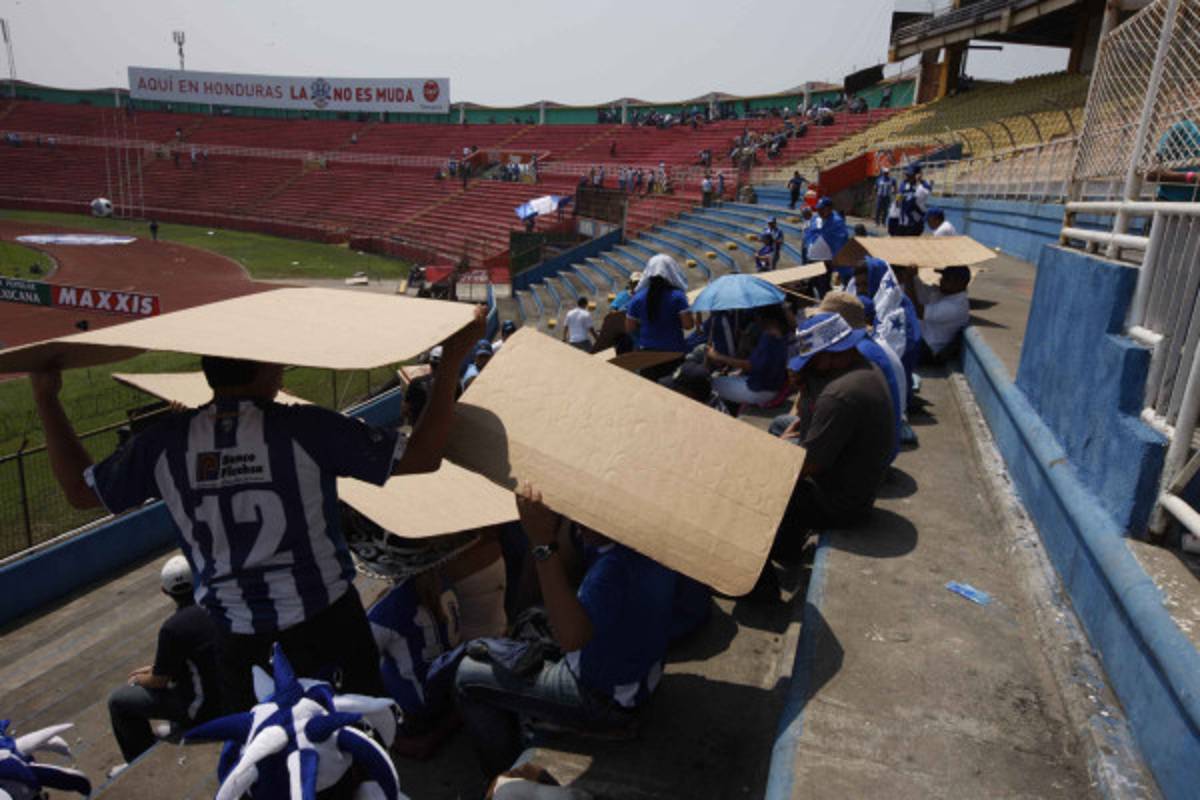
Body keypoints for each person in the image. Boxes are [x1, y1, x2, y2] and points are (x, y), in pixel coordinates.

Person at [32, 306, 488, 713]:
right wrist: (449, 365)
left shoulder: (162, 443)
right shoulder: (306, 428)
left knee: (267, 756)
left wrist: (47, 399)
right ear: (265, 363)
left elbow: (80, 490)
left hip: (237, 638)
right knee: (353, 740)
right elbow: (422, 457)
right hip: (328, 623)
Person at [454, 483, 676, 778]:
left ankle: (507, 775)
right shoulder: (647, 539)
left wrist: (542, 543)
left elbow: (571, 638)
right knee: (532, 619)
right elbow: (570, 570)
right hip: (637, 675)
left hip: (603, 699)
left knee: (466, 676)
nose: (580, 525)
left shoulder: (612, 572)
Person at [770, 313, 895, 557]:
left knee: (765, 485)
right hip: (857, 479)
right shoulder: (863, 365)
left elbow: (807, 466)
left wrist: (777, 452)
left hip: (842, 502)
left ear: (829, 355)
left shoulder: (838, 395)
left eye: (812, 359)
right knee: (779, 430)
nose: (808, 366)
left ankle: (785, 553)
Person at [107, 556, 221, 772]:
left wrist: (138, 679)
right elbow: (184, 662)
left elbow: (159, 681)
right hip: (225, 696)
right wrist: (152, 670)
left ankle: (137, 763)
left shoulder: (173, 628)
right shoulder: (213, 606)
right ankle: (175, 726)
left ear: (164, 591)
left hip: (201, 710)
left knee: (118, 702)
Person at [707, 304, 789, 408]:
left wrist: (717, 356)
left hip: (761, 391)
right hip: (771, 385)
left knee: (713, 384)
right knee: (730, 378)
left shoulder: (769, 339)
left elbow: (749, 365)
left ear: (763, 318)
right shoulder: (781, 333)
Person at [906, 265, 972, 364]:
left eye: (947, 279)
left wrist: (909, 280)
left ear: (960, 283)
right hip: (919, 339)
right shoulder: (944, 293)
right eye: (942, 277)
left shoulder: (957, 306)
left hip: (926, 348)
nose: (941, 280)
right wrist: (913, 276)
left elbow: (917, 311)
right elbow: (920, 289)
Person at [626, 266, 693, 353]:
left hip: (646, 350)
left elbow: (630, 328)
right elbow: (688, 325)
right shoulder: (678, 296)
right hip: (674, 350)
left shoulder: (637, 298)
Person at [658, 361, 730, 415]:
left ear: (691, 395)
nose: (671, 393)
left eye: (676, 389)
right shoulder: (705, 396)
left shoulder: (710, 417)